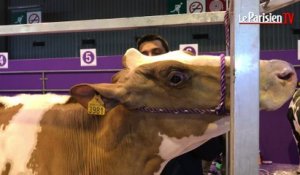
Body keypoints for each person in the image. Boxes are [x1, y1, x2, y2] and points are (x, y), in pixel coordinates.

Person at [136, 34, 226, 175]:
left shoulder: (191, 96)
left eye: (156, 52)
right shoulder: (132, 102)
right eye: (144, 54)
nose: (150, 57)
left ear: (167, 56)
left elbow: (211, 151)